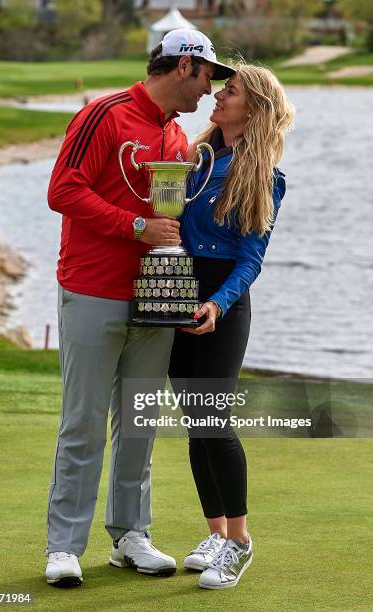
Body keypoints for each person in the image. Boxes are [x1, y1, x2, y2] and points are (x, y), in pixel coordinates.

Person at [44, 28, 235, 587]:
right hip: (92, 288)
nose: (209, 90)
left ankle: (130, 535)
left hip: (158, 295)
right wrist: (135, 226)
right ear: (183, 68)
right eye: (207, 78)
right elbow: (63, 190)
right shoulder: (103, 114)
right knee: (82, 423)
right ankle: (64, 546)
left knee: (139, 423)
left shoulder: (178, 137)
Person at [169, 63, 294, 589]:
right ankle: (216, 534)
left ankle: (239, 542)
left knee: (214, 424)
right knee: (197, 428)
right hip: (177, 295)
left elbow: (250, 259)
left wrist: (217, 304)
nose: (218, 96)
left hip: (221, 304)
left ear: (254, 108)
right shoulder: (195, 159)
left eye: (231, 91)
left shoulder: (264, 175)